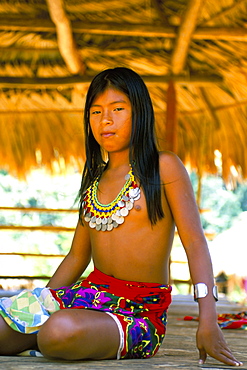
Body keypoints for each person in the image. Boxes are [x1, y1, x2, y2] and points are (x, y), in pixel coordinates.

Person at [0, 67, 243, 366]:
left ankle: (55, 336)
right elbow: (77, 257)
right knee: (9, 325)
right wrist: (42, 303)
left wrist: (209, 318)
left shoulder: (163, 167)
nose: (106, 120)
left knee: (58, 331)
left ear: (139, 113)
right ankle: (50, 332)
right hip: (87, 296)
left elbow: (194, 242)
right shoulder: (94, 180)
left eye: (118, 109)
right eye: (96, 111)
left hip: (140, 314)